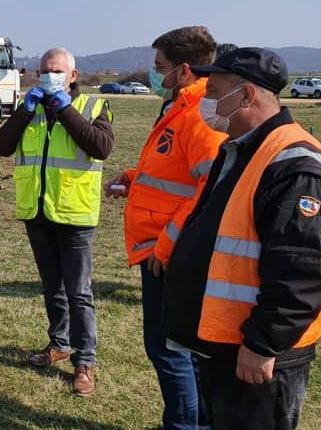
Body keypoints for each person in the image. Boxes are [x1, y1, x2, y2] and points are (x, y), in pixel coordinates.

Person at [164, 47, 321, 430]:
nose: (206, 101)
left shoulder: (294, 165)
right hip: (227, 344)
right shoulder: (242, 150)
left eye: (213, 92)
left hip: (258, 354)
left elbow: (301, 272)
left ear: (246, 95)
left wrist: (262, 344)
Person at [105, 26, 226, 428]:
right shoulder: (180, 108)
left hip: (169, 254)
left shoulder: (199, 115)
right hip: (161, 249)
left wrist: (166, 246)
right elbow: (177, 177)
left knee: (169, 349)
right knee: (179, 348)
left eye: (160, 67)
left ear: (185, 69)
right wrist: (134, 178)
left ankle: (184, 425)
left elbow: (209, 189)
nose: (155, 75)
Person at [0, 47, 114, 396]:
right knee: (52, 288)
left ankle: (85, 361)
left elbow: (101, 147)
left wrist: (65, 109)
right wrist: (23, 113)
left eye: (57, 71)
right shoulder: (28, 108)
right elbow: (1, 147)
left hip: (75, 214)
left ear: (72, 76)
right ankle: (58, 343)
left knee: (78, 292)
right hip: (38, 212)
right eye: (44, 71)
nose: (49, 76)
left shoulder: (92, 107)